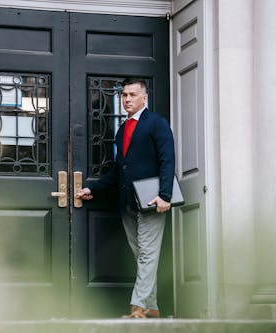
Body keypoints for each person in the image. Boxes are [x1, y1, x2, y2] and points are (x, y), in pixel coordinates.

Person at [76, 77, 175, 319]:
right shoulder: (122, 130)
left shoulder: (156, 123)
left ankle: (138, 308)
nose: (127, 99)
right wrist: (94, 189)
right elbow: (119, 168)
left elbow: (167, 160)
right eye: (124, 95)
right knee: (141, 255)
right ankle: (151, 306)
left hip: (152, 202)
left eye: (132, 94)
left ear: (145, 97)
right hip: (128, 203)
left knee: (148, 254)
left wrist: (165, 195)